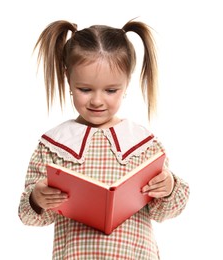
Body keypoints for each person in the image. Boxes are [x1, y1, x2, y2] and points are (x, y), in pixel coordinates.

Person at [18, 19, 190, 260]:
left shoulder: (142, 144)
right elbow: (28, 215)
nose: (97, 101)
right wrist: (38, 198)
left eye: (111, 90)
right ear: (68, 78)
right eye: (85, 89)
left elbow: (166, 212)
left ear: (126, 82)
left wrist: (168, 187)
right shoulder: (54, 146)